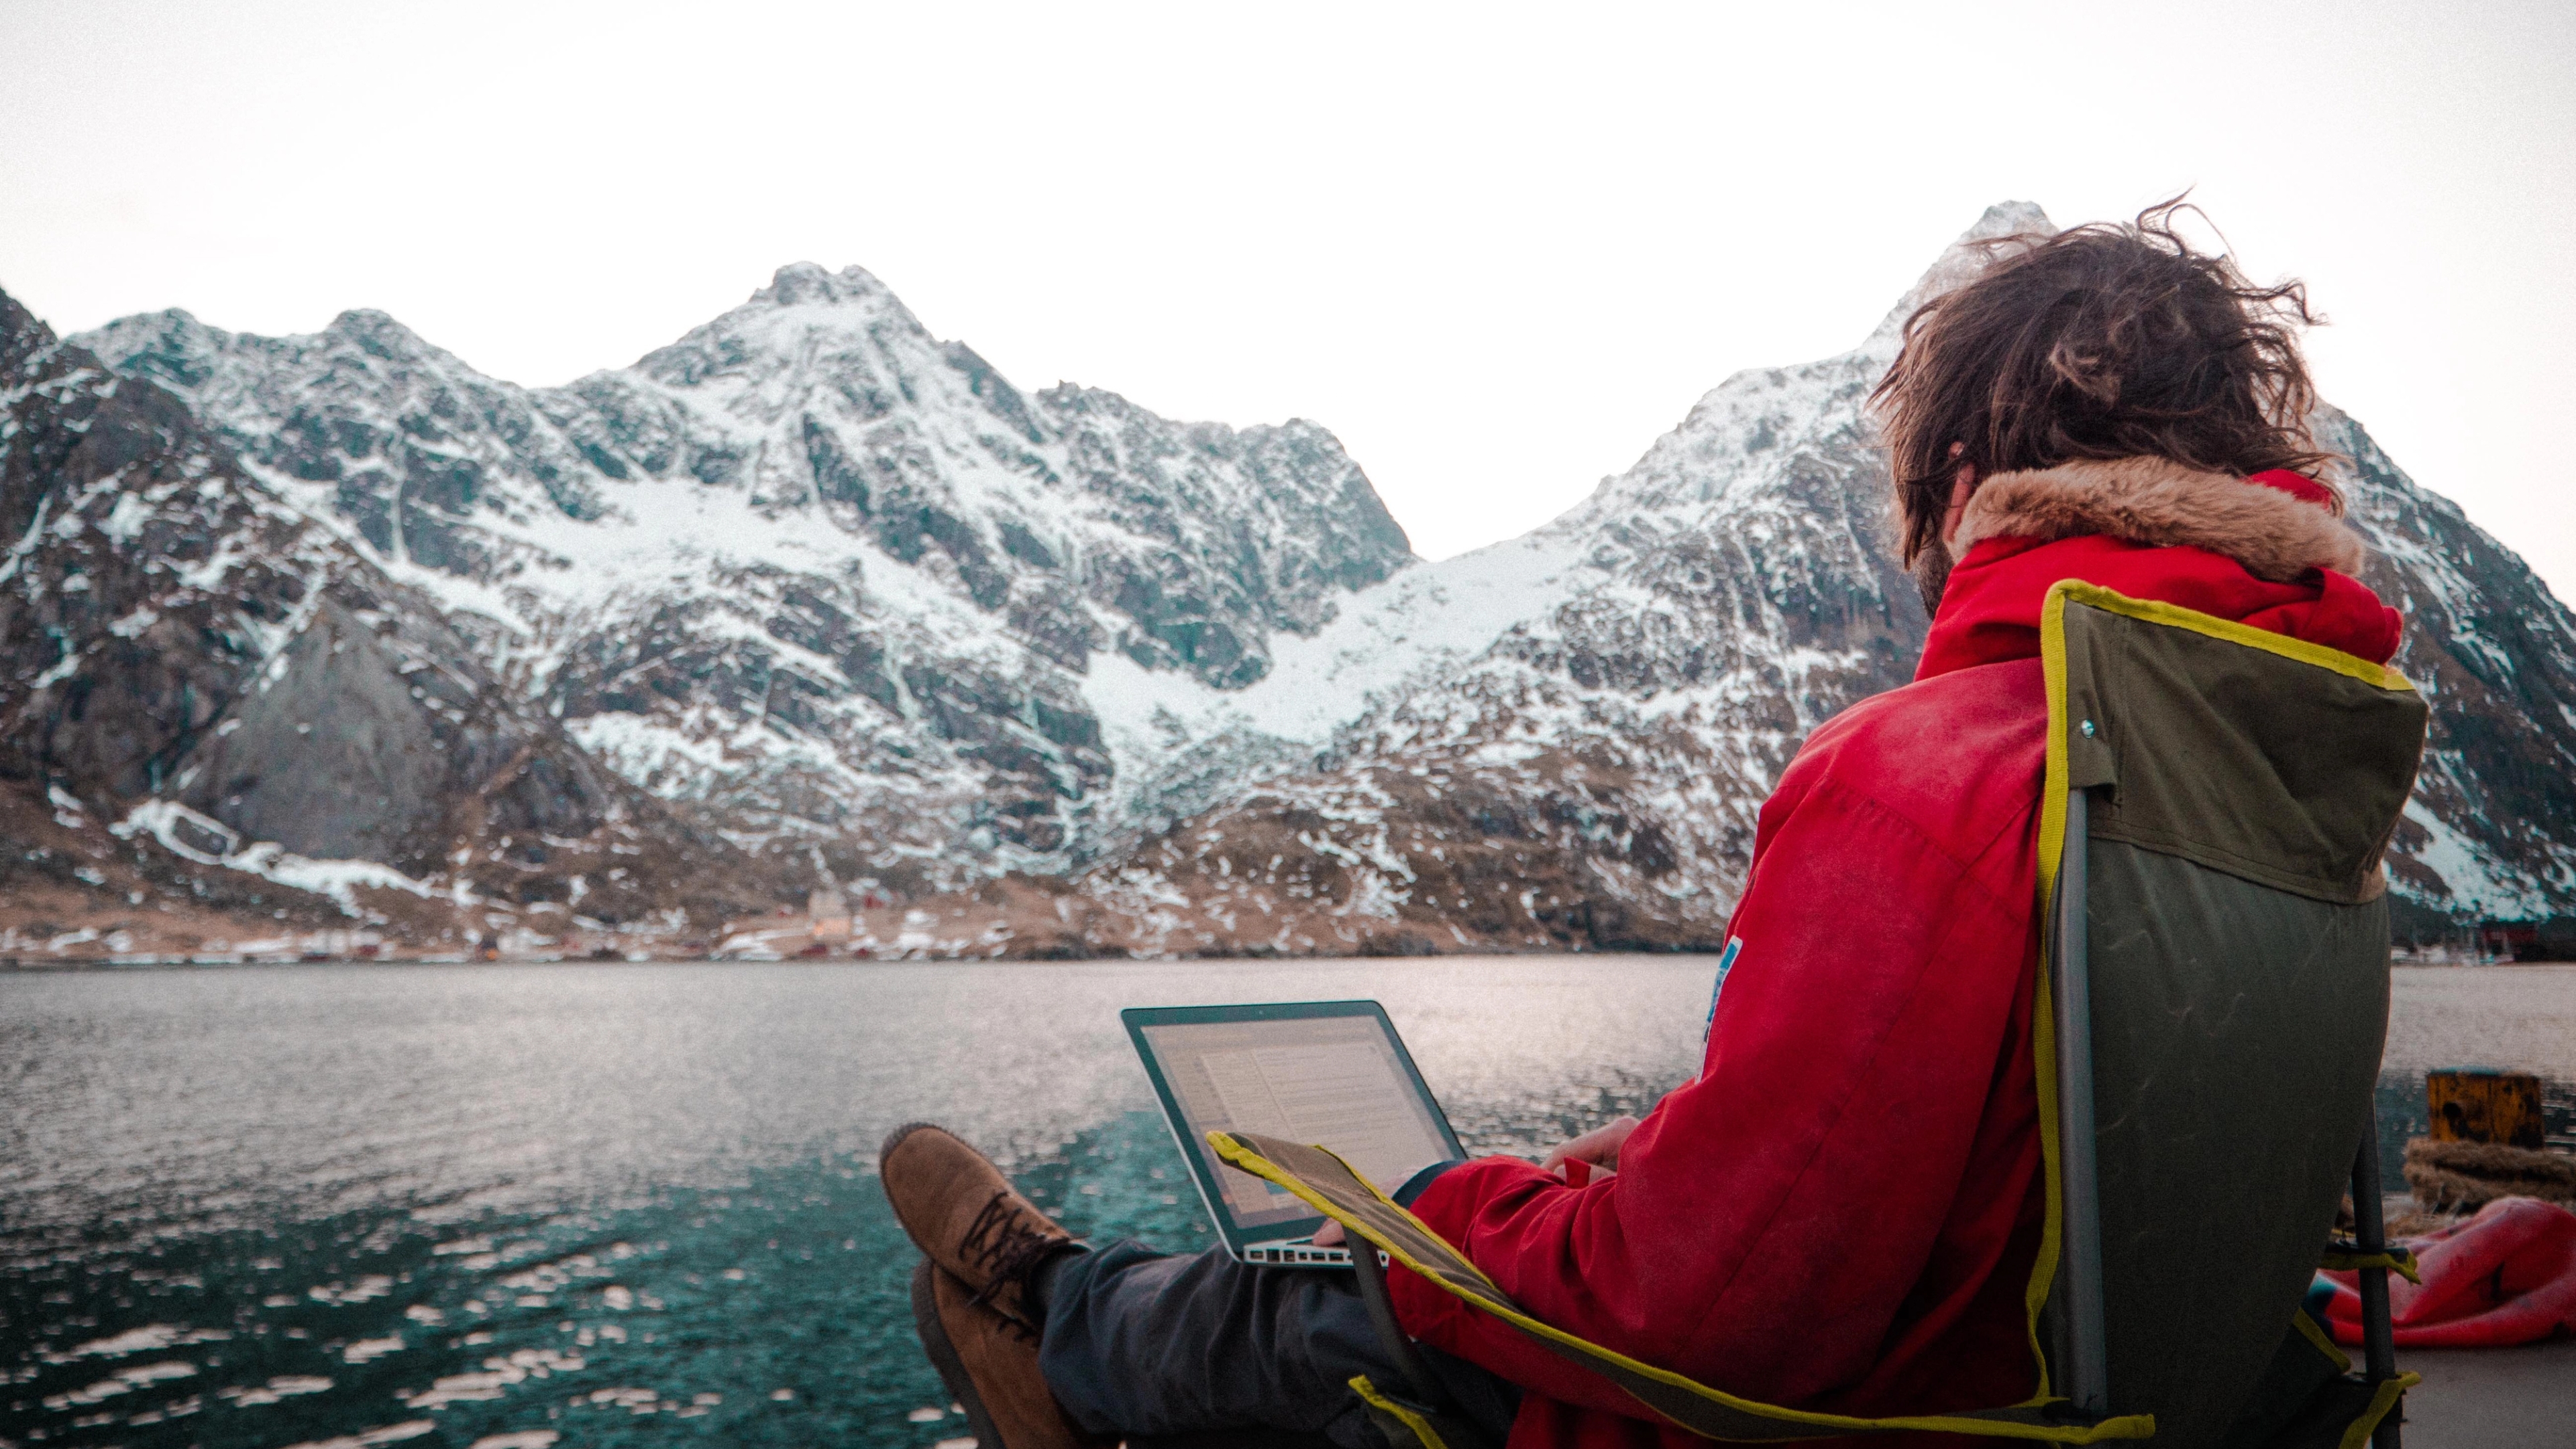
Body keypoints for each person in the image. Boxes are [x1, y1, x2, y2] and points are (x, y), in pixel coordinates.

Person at [878, 200, 2404, 1449]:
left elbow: (1699, 1308)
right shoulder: (2277, 768)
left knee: (1364, 1287)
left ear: (1958, 482)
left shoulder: (1931, 780)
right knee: (1441, 1255)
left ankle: (1048, 1314)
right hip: (2093, 1401)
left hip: (1863, 1421)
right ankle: (1061, 1305)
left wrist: (1450, 1202)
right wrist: (1680, 1155)